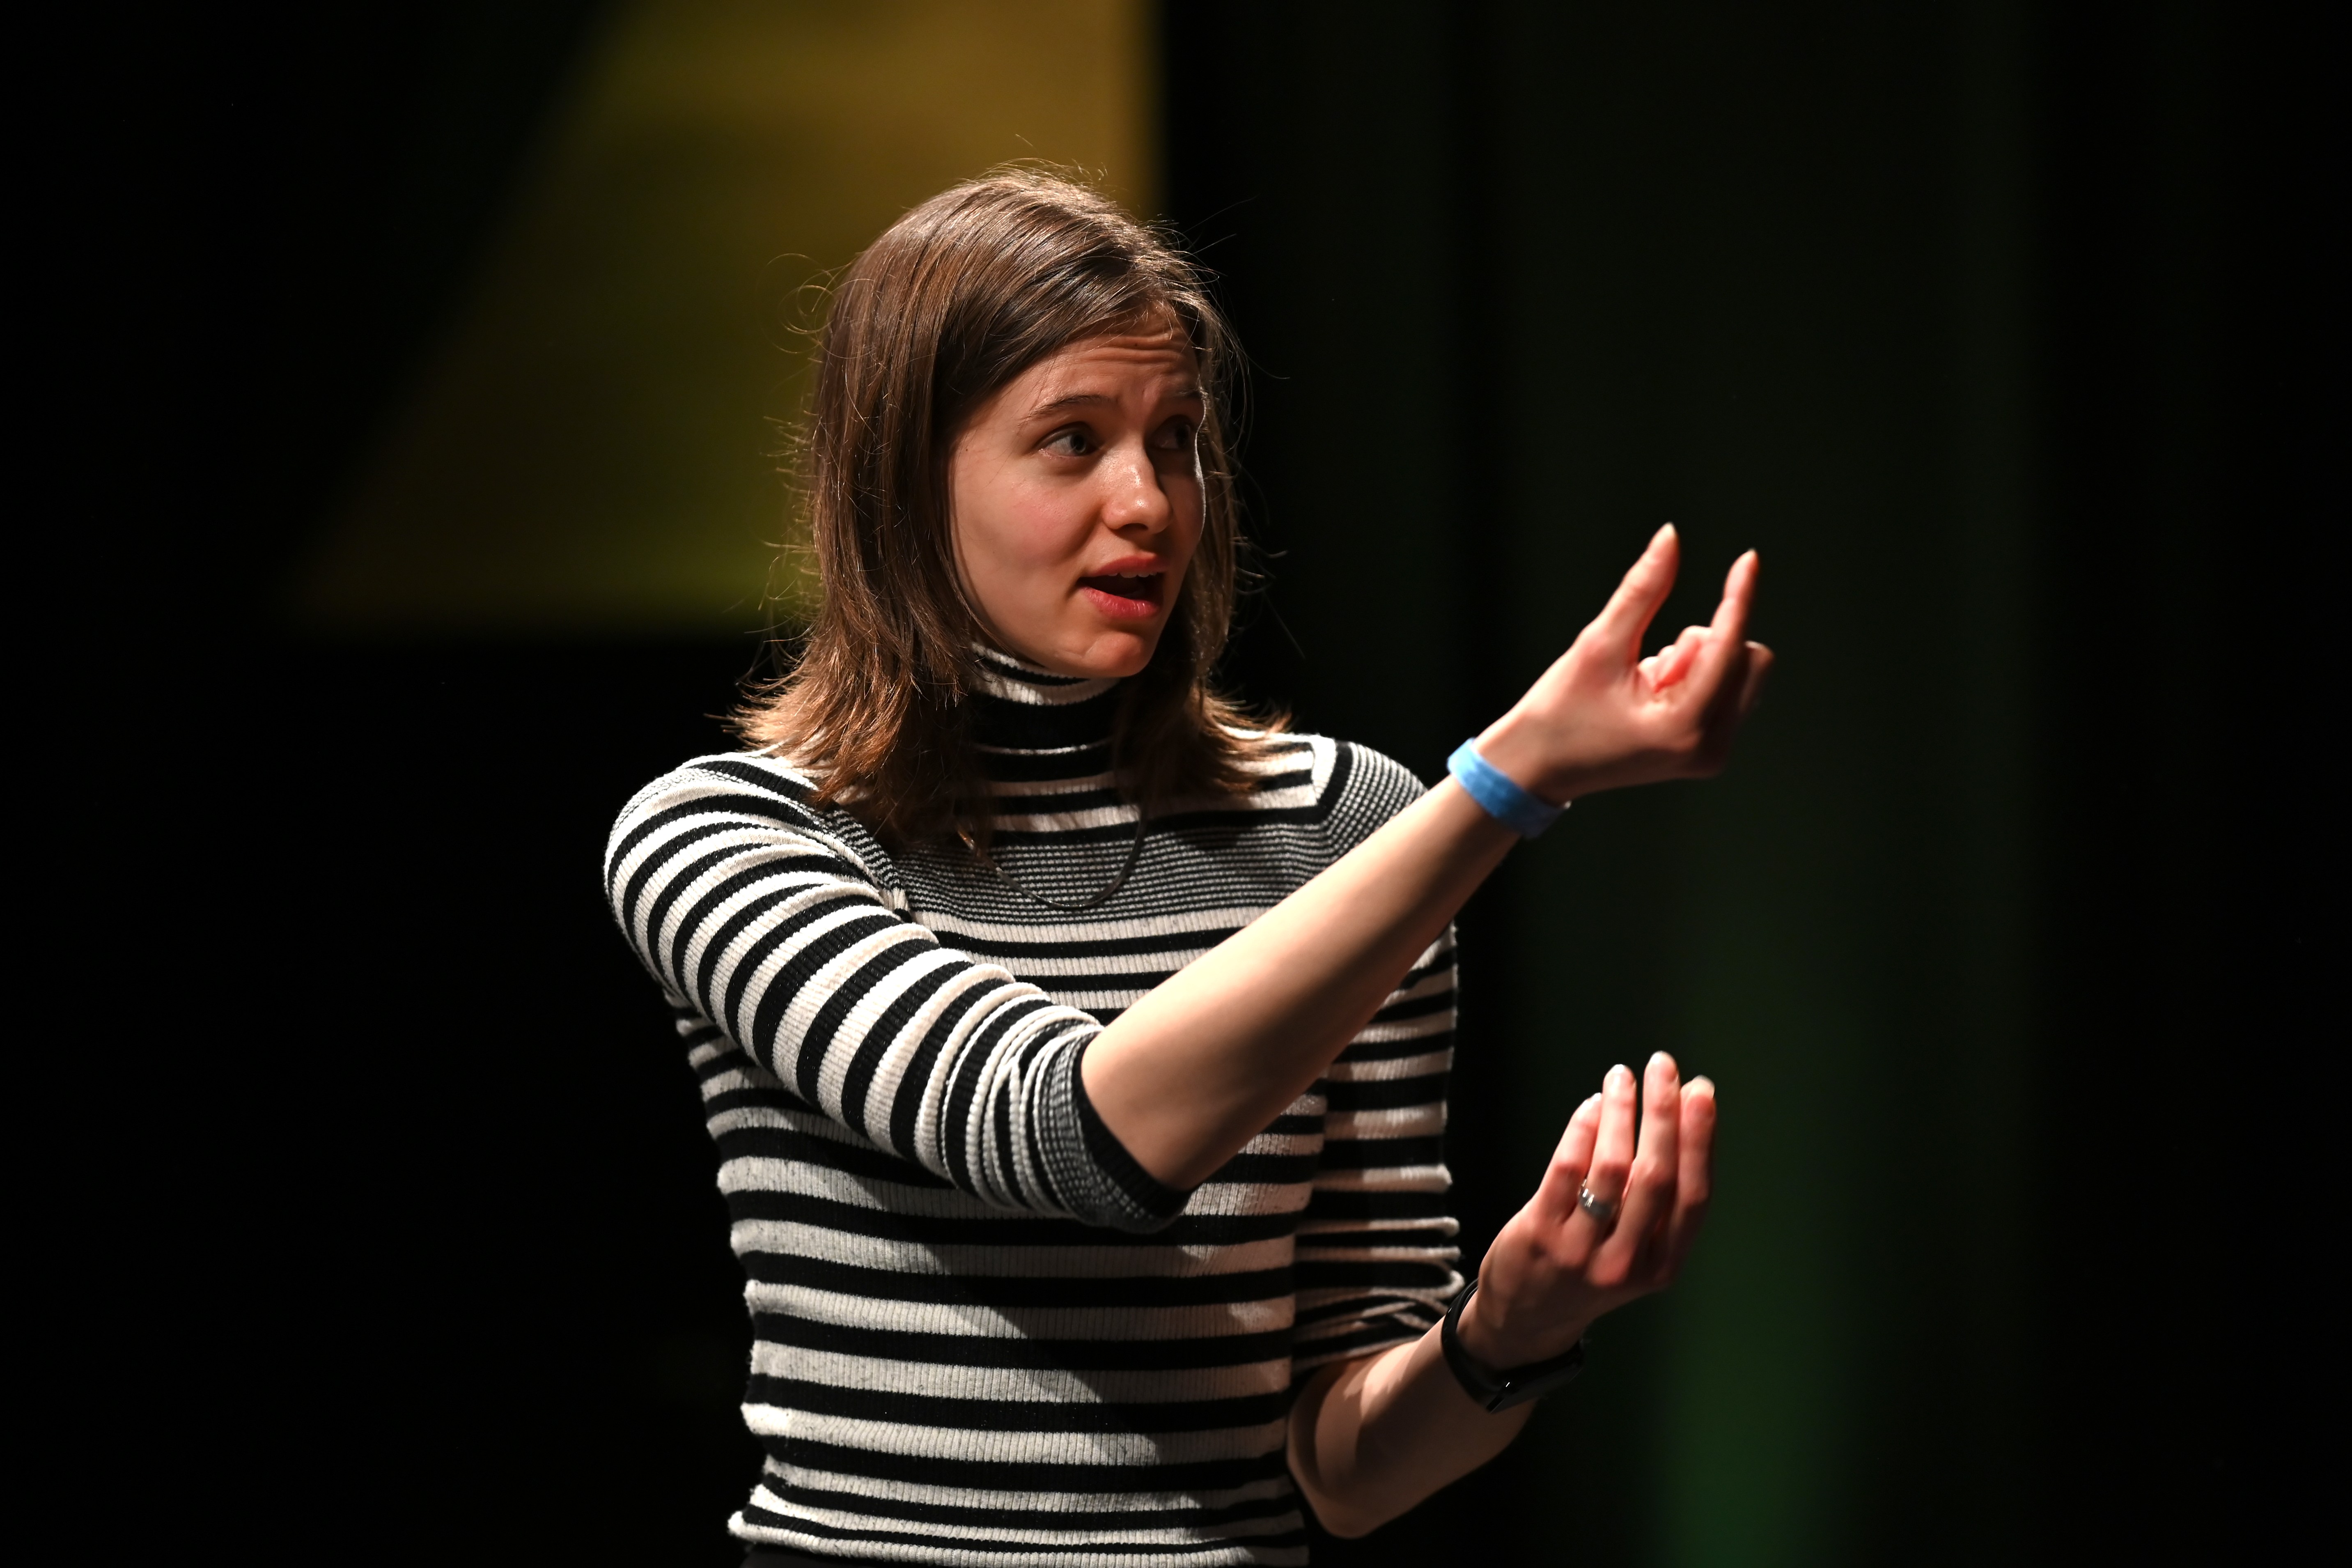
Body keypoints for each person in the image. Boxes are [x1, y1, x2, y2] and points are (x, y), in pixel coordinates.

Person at [605, 168, 1771, 1567]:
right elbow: (1071, 1137)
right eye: (1071, 440)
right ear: (903, 481)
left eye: (1176, 441)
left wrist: (1508, 1331)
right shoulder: (733, 834)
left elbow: (1343, 1474)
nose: (1148, 501)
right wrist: (1505, 783)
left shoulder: (1347, 830)